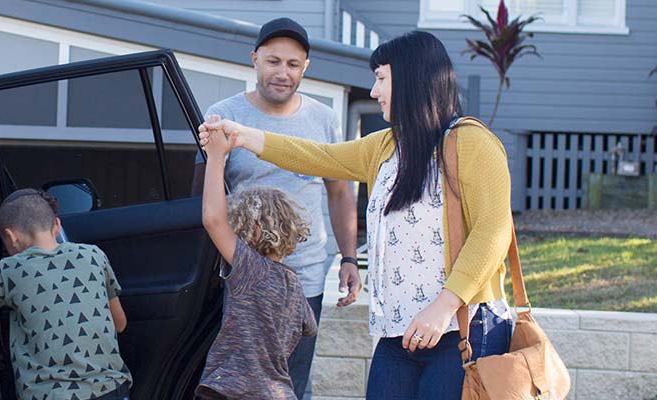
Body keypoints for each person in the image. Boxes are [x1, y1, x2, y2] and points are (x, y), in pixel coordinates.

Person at [198, 30, 517, 399]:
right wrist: (240, 136)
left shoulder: (472, 142)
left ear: (412, 78)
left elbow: (493, 232)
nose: (373, 91)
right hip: (397, 337)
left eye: (381, 78)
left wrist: (445, 305)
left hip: (461, 330)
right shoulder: (385, 146)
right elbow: (317, 156)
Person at [191, 18, 360, 398]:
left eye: (293, 64)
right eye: (273, 61)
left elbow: (339, 193)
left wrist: (349, 256)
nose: (282, 73)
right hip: (243, 273)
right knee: (242, 379)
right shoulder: (224, 113)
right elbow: (203, 197)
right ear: (254, 59)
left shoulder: (324, 119)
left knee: (292, 382)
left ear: (305, 68)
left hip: (306, 275)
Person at [196, 123, 318, 400]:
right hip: (277, 391)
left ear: (244, 228)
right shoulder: (292, 283)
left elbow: (213, 219)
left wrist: (216, 156)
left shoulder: (251, 269)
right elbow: (309, 327)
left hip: (237, 389)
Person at [0, 188, 131, 400]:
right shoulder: (94, 255)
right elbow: (120, 323)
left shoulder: (8, 270)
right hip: (110, 390)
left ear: (10, 237)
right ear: (57, 226)